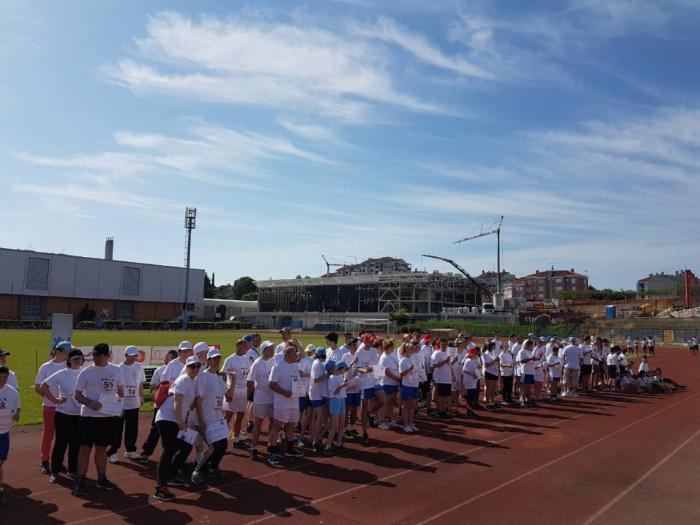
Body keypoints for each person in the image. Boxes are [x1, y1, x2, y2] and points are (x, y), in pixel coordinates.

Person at [72, 343, 124, 497]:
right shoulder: (86, 372)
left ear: (107, 355)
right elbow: (77, 394)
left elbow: (121, 391)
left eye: (98, 355)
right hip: (89, 417)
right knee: (85, 449)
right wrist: (89, 403)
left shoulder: (116, 370)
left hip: (107, 417)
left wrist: (118, 406)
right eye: (93, 354)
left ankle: (102, 478)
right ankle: (81, 481)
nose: (94, 357)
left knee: (102, 448)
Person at [153, 355, 201, 502]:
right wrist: (181, 422)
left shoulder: (192, 382)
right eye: (192, 366)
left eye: (198, 366)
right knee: (168, 450)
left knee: (187, 445)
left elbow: (189, 404)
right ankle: (160, 487)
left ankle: (170, 475)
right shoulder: (183, 380)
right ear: (186, 368)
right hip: (167, 419)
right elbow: (177, 401)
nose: (195, 369)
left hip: (176, 420)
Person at [40, 349, 84, 482]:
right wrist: (55, 400)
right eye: (75, 358)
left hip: (79, 414)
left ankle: (72, 469)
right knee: (61, 443)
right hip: (63, 414)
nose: (78, 361)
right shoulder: (62, 373)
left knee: (75, 443)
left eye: (80, 358)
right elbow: (43, 386)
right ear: (69, 360)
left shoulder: (84, 373)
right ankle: (55, 471)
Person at [191, 347, 233, 485]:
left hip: (217, 418)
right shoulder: (203, 376)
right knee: (213, 447)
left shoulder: (219, 377)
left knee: (223, 445)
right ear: (208, 360)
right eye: (214, 358)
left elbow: (229, 397)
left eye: (218, 358)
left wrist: (233, 380)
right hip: (205, 419)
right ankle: (197, 471)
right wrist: (201, 420)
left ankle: (213, 468)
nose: (217, 360)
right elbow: (198, 400)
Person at [35, 340, 71, 474]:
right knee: (48, 434)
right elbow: (38, 387)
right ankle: (44, 461)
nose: (69, 354)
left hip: (66, 408)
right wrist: (51, 399)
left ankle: (58, 461)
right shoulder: (46, 367)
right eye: (67, 351)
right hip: (50, 407)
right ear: (58, 351)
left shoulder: (69, 366)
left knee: (62, 436)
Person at [267, 344, 305, 465]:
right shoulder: (278, 367)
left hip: (294, 403)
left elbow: (297, 381)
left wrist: (301, 390)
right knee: (277, 427)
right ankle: (272, 452)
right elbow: (271, 384)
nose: (297, 356)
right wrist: (284, 392)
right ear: (287, 355)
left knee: (291, 425)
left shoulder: (295, 366)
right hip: (282, 404)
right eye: (294, 354)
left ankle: (289, 449)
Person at [108, 346, 145, 463]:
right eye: (131, 356)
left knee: (132, 429)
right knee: (117, 429)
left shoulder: (139, 367)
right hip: (121, 404)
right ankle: (113, 452)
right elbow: (114, 387)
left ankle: (130, 450)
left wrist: (141, 396)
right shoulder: (118, 368)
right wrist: (117, 403)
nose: (134, 358)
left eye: (135, 355)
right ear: (126, 355)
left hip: (134, 403)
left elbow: (140, 383)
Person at [140, 349, 178, 462]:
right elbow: (152, 387)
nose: (165, 359)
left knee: (175, 431)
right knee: (155, 430)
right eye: (166, 357)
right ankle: (146, 452)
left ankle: (175, 456)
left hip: (176, 406)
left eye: (168, 357)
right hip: (160, 406)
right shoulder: (160, 370)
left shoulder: (181, 369)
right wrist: (161, 390)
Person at [247, 341, 275, 461]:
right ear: (263, 351)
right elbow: (250, 381)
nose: (272, 351)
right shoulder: (257, 363)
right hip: (261, 398)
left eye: (272, 349)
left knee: (273, 422)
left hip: (273, 398)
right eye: (269, 349)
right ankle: (254, 447)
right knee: (258, 424)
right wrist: (252, 394)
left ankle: (271, 444)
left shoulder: (274, 361)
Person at [222, 339, 253, 448]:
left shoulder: (246, 359)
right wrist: (226, 391)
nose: (246, 349)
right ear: (238, 346)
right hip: (233, 390)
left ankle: (236, 438)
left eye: (247, 347)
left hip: (243, 391)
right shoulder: (230, 359)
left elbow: (248, 374)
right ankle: (221, 439)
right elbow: (222, 374)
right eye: (244, 347)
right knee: (228, 416)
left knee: (240, 415)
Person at [0, 365, 21, 505]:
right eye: (0, 377)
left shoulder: (12, 391)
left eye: (5, 377)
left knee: (1, 461)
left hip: (4, 433)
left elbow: (18, 407)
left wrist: (17, 414)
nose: (2, 379)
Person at [309, 347, 330, 451]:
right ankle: (315, 440)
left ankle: (314, 438)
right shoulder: (317, 364)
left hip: (317, 394)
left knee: (317, 418)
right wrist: (328, 375)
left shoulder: (318, 363)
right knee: (320, 417)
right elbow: (316, 379)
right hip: (315, 394)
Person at [377, 339, 401, 429]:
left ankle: (389, 420)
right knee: (384, 404)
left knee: (391, 403)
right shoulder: (384, 357)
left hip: (394, 384)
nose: (394, 347)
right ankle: (381, 422)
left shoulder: (392, 356)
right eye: (392, 346)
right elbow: (386, 371)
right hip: (386, 383)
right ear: (388, 347)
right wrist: (397, 378)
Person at [326, 361, 348, 452]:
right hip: (335, 401)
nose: (345, 370)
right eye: (344, 369)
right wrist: (341, 386)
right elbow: (333, 392)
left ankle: (339, 443)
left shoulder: (341, 377)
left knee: (342, 424)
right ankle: (328, 445)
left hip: (342, 400)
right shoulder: (332, 378)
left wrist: (350, 386)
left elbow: (343, 390)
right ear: (340, 369)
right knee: (334, 425)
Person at [398, 343, 419, 432]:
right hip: (407, 385)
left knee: (413, 406)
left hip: (415, 385)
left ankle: (411, 423)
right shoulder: (403, 361)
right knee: (406, 406)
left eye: (412, 348)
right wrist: (409, 369)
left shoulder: (413, 359)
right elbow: (401, 375)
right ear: (405, 350)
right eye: (410, 348)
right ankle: (405, 425)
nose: (412, 350)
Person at [297, 344, 315, 447]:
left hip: (310, 390)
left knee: (308, 413)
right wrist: (310, 375)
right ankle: (300, 427)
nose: (308, 353)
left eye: (310, 351)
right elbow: (299, 373)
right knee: (302, 410)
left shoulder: (315, 361)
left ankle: (307, 432)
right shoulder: (304, 360)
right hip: (303, 389)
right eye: (307, 351)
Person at [431, 339, 453, 419]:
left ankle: (444, 411)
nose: (444, 346)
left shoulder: (447, 353)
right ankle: (441, 412)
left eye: (446, 344)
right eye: (443, 344)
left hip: (447, 378)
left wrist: (452, 375)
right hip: (440, 379)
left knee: (445, 396)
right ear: (439, 345)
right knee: (440, 396)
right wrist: (445, 361)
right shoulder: (437, 353)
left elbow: (449, 365)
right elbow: (434, 365)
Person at [461, 347, 480, 417]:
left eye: (477, 353)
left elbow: (479, 366)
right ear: (472, 354)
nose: (476, 355)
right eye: (475, 353)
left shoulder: (474, 360)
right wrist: (472, 374)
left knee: (472, 397)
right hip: (469, 382)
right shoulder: (468, 361)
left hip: (473, 381)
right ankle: (468, 412)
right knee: (470, 397)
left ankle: (470, 411)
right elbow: (465, 370)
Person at [516, 340, 536, 407]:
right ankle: (523, 401)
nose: (531, 347)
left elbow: (530, 359)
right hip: (525, 372)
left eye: (531, 345)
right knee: (524, 387)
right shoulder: (522, 351)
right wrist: (531, 358)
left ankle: (528, 400)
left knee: (528, 387)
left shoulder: (529, 351)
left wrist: (535, 359)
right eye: (530, 345)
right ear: (526, 345)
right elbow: (521, 361)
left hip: (531, 371)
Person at [481, 342, 500, 409]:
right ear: (491, 346)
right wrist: (495, 360)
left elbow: (495, 362)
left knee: (493, 389)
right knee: (489, 389)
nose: (495, 347)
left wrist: (497, 361)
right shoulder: (485, 354)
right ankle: (488, 403)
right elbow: (486, 365)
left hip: (495, 373)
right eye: (494, 346)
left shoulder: (493, 352)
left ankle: (492, 402)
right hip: (489, 373)